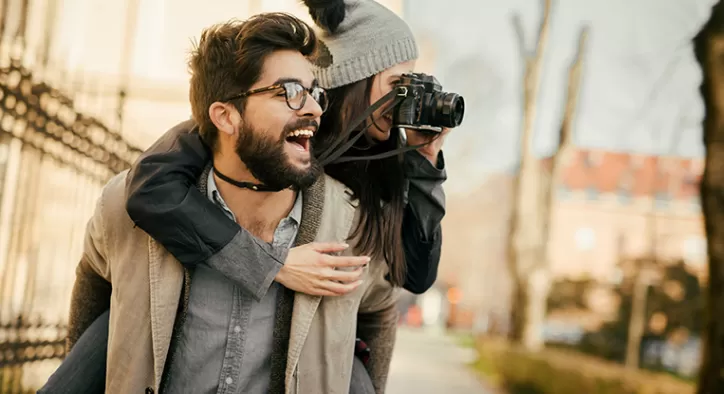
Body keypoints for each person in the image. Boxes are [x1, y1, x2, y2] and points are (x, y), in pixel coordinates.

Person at [44, 0, 449, 393]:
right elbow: (150, 190)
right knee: (117, 322)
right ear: (357, 79)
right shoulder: (231, 130)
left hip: (317, 350)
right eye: (398, 85)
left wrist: (426, 162)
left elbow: (410, 277)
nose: (408, 99)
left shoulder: (378, 161)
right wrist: (271, 265)